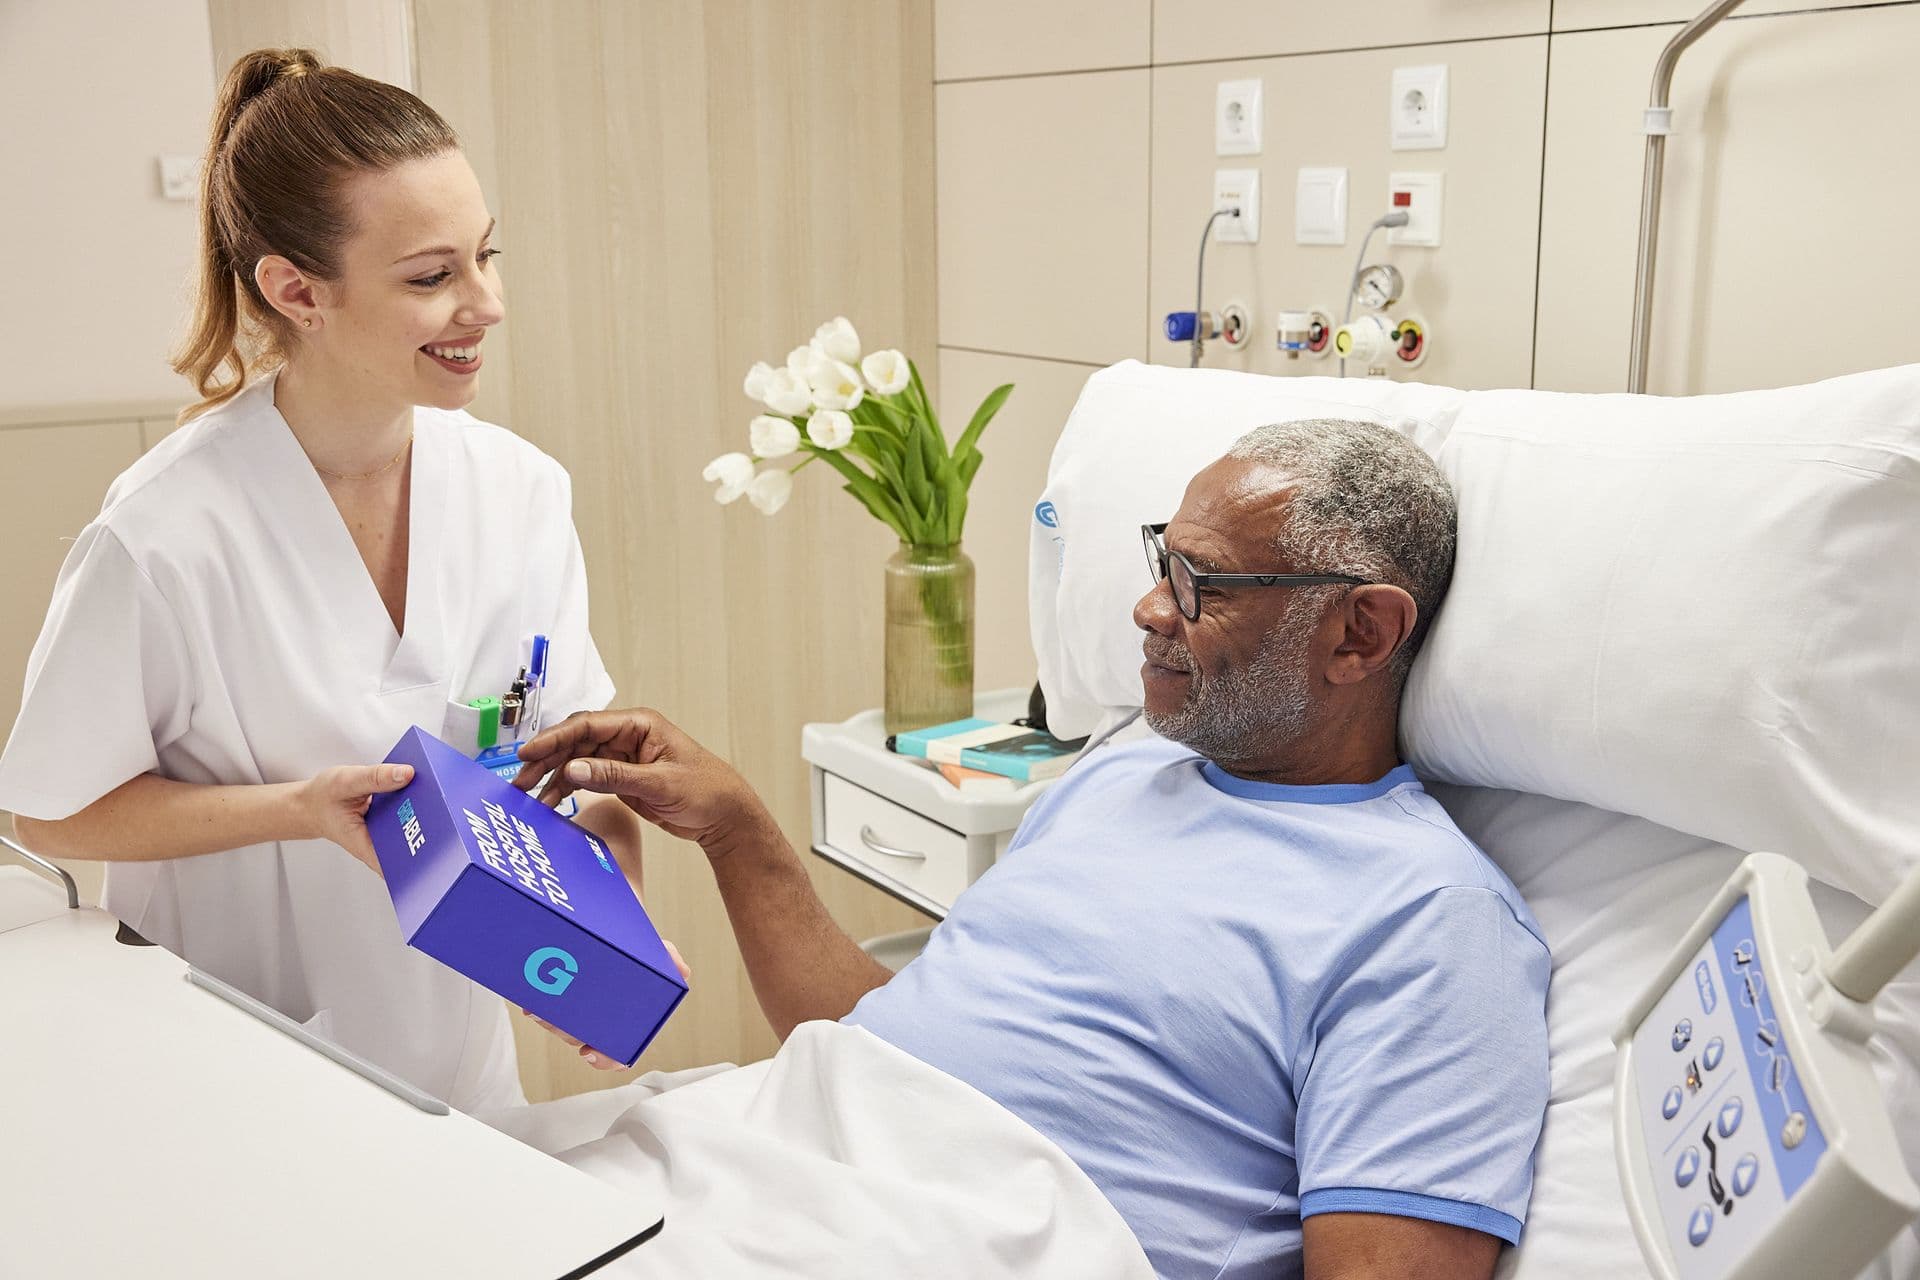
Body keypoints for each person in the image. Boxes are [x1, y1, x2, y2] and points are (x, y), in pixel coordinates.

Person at [515, 419, 1551, 1280]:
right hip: (769, 1158)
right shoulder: (1119, 773)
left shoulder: (1430, 921)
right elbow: (871, 1048)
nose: (1150, 607)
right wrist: (736, 827)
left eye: (1207, 583)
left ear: (1361, 633)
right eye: (1162, 560)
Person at [0, 49, 647, 1111]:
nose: (486, 304)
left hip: (462, 1072)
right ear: (296, 289)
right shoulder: (166, 535)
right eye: (432, 277)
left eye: (487, 257)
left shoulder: (521, 492)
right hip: (235, 1066)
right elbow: (56, 818)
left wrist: (594, 933)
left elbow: (569, 771)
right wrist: (296, 808)